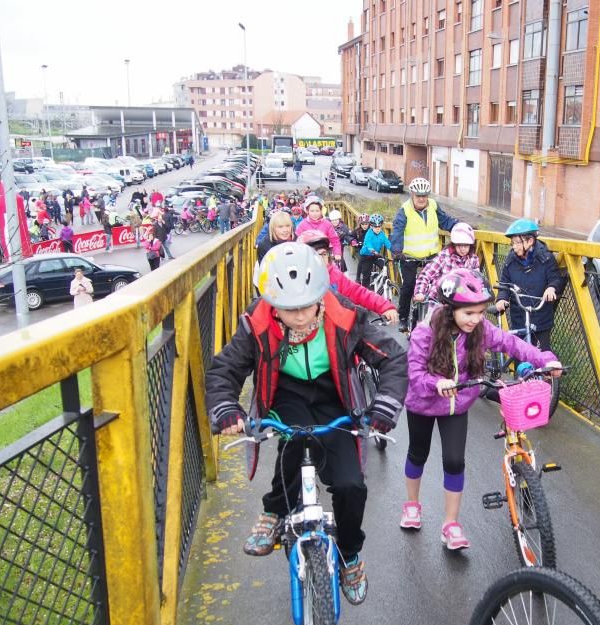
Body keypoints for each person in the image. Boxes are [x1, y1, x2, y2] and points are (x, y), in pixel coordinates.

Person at [205, 243, 408, 604]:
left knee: (351, 486)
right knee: (295, 439)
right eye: (288, 310)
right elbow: (227, 368)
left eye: (306, 306)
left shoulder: (344, 315)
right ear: (271, 304)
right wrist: (226, 409)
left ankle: (349, 554)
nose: (299, 317)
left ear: (321, 296)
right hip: (286, 392)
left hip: (335, 396)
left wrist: (384, 408)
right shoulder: (258, 321)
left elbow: (393, 359)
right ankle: (275, 510)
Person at [400, 269, 562, 548]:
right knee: (418, 453)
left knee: (454, 461)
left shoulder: (480, 330)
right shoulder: (425, 333)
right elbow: (414, 374)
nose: (476, 320)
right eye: (469, 313)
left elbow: (512, 343)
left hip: (457, 404)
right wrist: (436, 383)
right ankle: (412, 505)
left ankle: (451, 524)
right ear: (450, 310)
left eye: (480, 312)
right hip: (424, 403)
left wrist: (544, 359)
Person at [390, 177, 460, 332]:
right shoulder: (404, 211)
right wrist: (396, 250)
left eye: (424, 195)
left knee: (439, 286)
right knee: (408, 286)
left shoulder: (433, 206)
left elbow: (445, 221)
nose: (421, 199)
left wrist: (459, 226)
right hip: (410, 256)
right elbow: (397, 232)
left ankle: (441, 318)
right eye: (418, 195)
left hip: (431, 256)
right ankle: (403, 317)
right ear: (412, 195)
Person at [494, 219, 566, 352]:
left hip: (541, 317)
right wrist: (502, 298)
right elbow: (504, 283)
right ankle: (519, 372)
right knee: (520, 356)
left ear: (530, 241)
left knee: (542, 356)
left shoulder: (546, 258)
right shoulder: (511, 260)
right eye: (512, 243)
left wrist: (552, 288)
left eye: (517, 243)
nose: (514, 246)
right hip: (519, 316)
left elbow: (555, 278)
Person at [297, 230, 399, 323]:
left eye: (323, 254)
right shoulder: (294, 281)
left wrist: (385, 306)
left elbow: (358, 292)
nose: (320, 259)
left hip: (335, 330)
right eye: (314, 255)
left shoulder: (334, 275)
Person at [413, 222, 479, 302]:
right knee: (434, 311)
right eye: (459, 245)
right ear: (454, 244)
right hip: (439, 299)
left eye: (466, 245)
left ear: (471, 245)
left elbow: (477, 280)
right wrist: (420, 292)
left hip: (462, 300)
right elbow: (426, 274)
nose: (462, 249)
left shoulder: (473, 259)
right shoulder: (444, 256)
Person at [295, 195, 342, 263]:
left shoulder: (327, 224)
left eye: (317, 211)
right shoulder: (302, 224)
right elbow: (297, 242)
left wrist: (337, 253)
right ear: (307, 211)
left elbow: (335, 240)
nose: (315, 213)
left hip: (323, 256)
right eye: (312, 211)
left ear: (321, 211)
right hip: (308, 256)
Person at [357, 214, 391, 289]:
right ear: (371, 226)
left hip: (375, 255)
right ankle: (365, 292)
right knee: (366, 275)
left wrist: (394, 250)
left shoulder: (382, 234)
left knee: (384, 267)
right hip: (366, 256)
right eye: (375, 226)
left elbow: (387, 242)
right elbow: (368, 243)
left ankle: (384, 284)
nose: (377, 228)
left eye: (379, 226)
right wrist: (372, 250)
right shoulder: (369, 234)